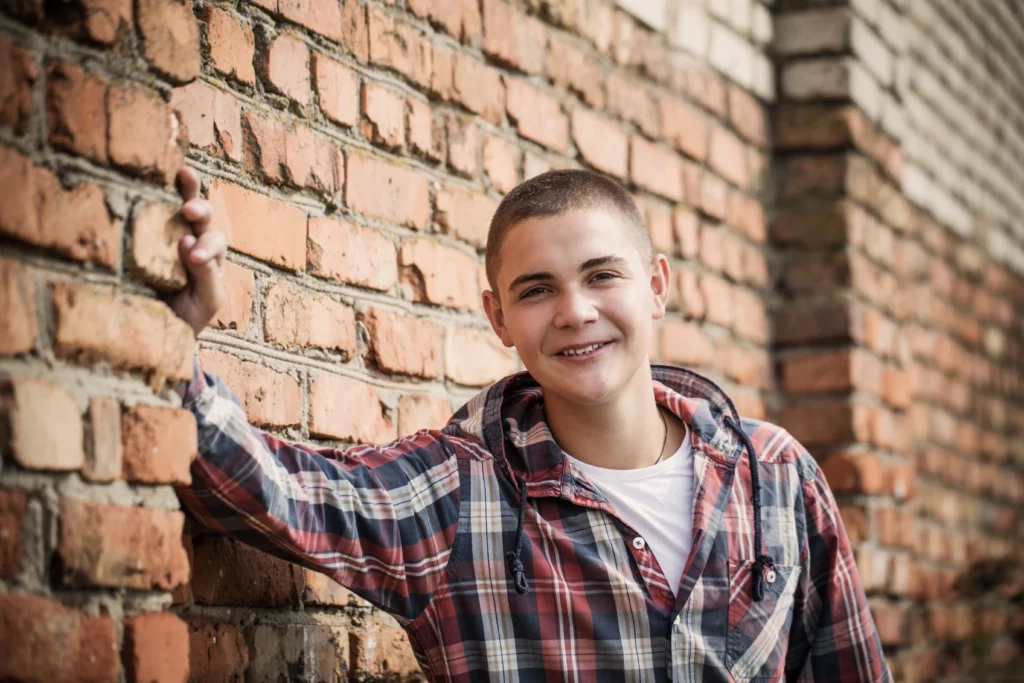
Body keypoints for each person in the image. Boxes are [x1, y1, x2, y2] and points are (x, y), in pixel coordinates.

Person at [172, 165, 891, 682]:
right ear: (499, 319)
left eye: (602, 275)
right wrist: (181, 334)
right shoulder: (457, 493)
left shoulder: (772, 473)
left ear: (657, 286)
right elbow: (270, 491)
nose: (575, 310)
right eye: (538, 289)